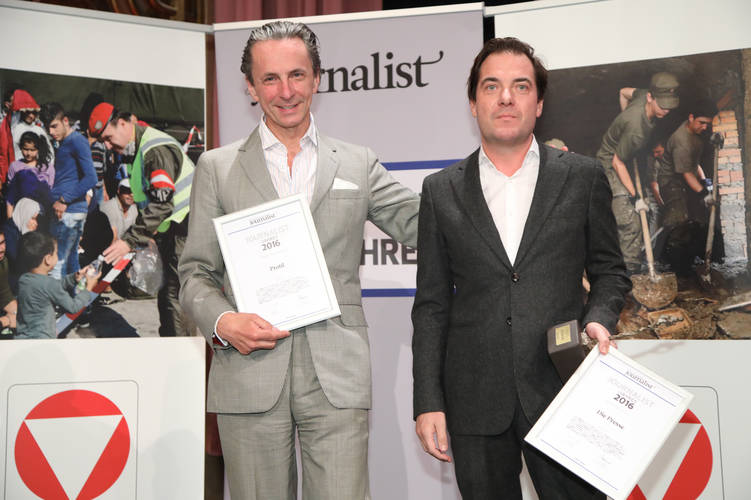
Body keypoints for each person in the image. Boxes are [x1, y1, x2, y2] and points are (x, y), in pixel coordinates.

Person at [178, 20, 419, 500]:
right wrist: (224, 321)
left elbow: (425, 225)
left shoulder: (357, 163)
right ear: (250, 87)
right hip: (248, 369)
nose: (285, 91)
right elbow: (195, 274)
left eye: (297, 75)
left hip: (336, 372)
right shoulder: (217, 168)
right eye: (270, 78)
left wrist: (491, 188)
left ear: (317, 79)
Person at [411, 37, 631, 500]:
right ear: (473, 103)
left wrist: (598, 318)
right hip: (474, 401)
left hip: (563, 388)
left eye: (521, 86)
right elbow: (431, 306)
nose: (506, 98)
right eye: (491, 86)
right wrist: (428, 401)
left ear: (539, 103)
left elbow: (610, 271)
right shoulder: (440, 191)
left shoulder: (582, 176)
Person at [89, 102, 193, 337]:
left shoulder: (154, 150)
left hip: (185, 229)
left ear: (123, 124)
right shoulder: (141, 149)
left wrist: (130, 240)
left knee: (174, 297)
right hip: (175, 230)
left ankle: (179, 349)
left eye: (109, 138)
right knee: (168, 296)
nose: (108, 146)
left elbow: (162, 204)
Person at [595, 72, 679, 273]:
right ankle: (630, 273)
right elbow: (617, 162)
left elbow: (623, 92)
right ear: (650, 97)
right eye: (662, 106)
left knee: (642, 215)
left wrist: (623, 117)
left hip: (623, 157)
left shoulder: (641, 95)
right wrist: (636, 197)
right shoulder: (636, 130)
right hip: (608, 165)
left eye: (669, 106)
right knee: (630, 222)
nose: (666, 110)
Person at [40, 102, 97, 280]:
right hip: (69, 211)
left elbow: (91, 178)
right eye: (48, 127)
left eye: (54, 126)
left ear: (65, 120)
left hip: (68, 212)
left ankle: (56, 299)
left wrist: (64, 200)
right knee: (71, 263)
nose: (51, 132)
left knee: (57, 263)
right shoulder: (64, 142)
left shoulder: (77, 141)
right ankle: (74, 298)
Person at [15, 231, 99, 339]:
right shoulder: (49, 284)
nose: (57, 256)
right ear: (48, 259)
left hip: (22, 338)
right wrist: (88, 289)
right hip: (43, 339)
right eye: (56, 253)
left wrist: (74, 277)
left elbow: (48, 288)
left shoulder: (23, 280)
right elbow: (73, 307)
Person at [655, 99, 718, 228]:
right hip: (671, 184)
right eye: (701, 122)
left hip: (686, 180)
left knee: (697, 216)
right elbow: (687, 174)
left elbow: (693, 163)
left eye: (707, 124)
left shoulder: (695, 131)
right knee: (679, 218)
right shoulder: (682, 142)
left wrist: (705, 182)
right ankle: (672, 237)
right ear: (691, 117)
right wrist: (704, 194)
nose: (704, 127)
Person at [3, 197, 40, 264]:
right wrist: (28, 236)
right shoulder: (7, 233)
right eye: (33, 218)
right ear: (25, 215)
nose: (36, 223)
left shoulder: (20, 228)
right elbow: (18, 259)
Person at [0, 232, 18, 339]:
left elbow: (5, 296)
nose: (1, 249)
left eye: (2, 243)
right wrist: (5, 320)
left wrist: (18, 314)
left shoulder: (3, 261)